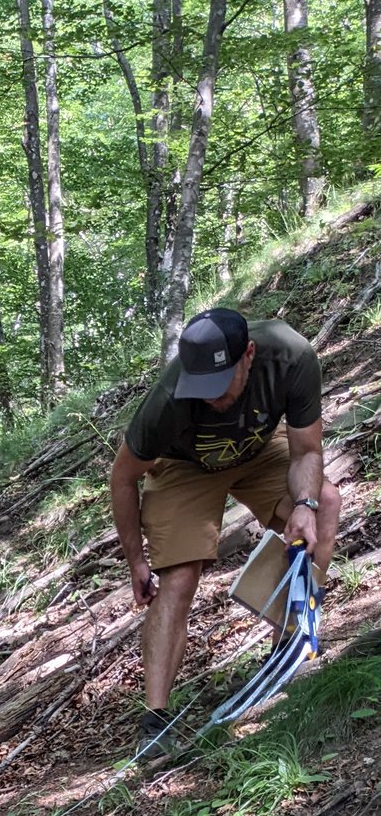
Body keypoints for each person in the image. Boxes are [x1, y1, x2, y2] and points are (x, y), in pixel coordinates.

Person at [109, 306, 341, 760]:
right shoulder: (169, 399)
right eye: (202, 389)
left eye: (220, 386)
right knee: (178, 574)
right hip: (184, 467)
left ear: (248, 354)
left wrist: (305, 506)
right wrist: (136, 560)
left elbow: (307, 449)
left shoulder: (290, 356)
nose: (210, 398)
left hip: (260, 452)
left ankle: (283, 659)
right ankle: (155, 720)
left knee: (326, 503)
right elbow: (122, 477)